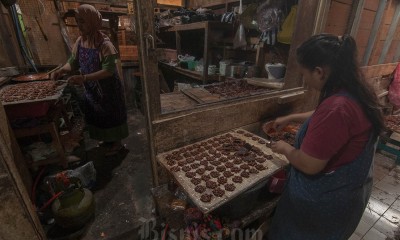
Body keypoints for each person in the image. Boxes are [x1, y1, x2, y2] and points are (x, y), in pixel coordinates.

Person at [266, 34, 384, 240]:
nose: (305, 80)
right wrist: (292, 117)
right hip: (349, 194)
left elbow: (311, 165)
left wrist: (285, 148)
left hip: (323, 205)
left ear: (319, 72)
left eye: (304, 74)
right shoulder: (354, 90)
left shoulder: (338, 107)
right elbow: (324, 113)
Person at [52, 4, 128, 156]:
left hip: (108, 88)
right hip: (92, 88)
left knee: (111, 115)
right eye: (78, 21)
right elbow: (72, 62)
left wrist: (84, 78)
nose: (80, 25)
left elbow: (108, 70)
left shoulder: (105, 44)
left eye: (83, 21)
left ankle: (117, 144)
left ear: (93, 21)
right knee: (97, 114)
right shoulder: (80, 42)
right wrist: (62, 69)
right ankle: (106, 140)